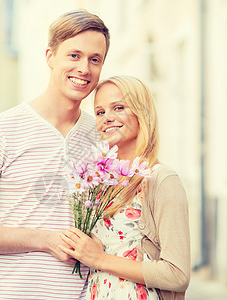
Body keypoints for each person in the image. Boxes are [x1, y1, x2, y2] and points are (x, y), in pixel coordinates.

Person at [0, 9, 110, 299]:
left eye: (95, 59)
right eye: (74, 55)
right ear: (50, 56)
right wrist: (45, 240)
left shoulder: (103, 137)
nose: (84, 68)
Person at [60, 75, 191, 299]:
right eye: (100, 112)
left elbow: (177, 274)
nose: (107, 118)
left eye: (118, 107)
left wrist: (100, 259)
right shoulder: (98, 182)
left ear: (142, 113)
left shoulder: (161, 180)